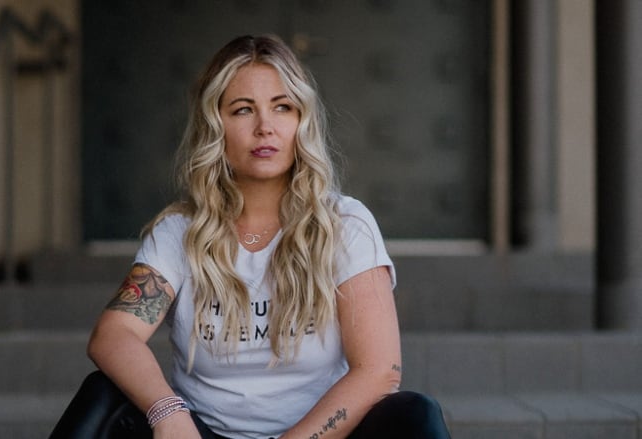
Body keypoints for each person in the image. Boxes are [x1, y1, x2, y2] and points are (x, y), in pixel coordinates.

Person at [50, 35, 451, 439]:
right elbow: (114, 336)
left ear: (301, 121)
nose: (265, 127)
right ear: (215, 126)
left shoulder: (345, 224)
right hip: (202, 434)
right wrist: (167, 412)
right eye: (243, 110)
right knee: (102, 396)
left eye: (283, 107)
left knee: (416, 415)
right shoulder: (179, 232)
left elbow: (380, 370)